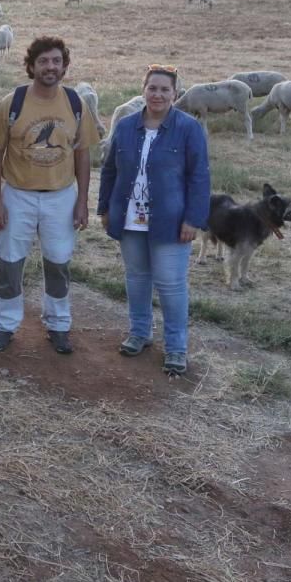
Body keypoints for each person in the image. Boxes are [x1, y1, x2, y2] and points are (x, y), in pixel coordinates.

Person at [0, 36, 99, 355]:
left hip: (60, 197)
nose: (50, 67)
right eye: (44, 61)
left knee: (58, 262)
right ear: (31, 66)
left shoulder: (75, 104)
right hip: (18, 194)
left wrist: (82, 201)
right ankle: (5, 325)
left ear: (64, 66)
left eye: (56, 61)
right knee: (9, 262)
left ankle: (59, 325)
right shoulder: (12, 103)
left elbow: (83, 155)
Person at [97, 65, 210, 376]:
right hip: (130, 216)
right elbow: (109, 170)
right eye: (152, 88)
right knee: (136, 278)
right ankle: (139, 333)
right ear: (143, 90)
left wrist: (193, 219)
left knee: (171, 285)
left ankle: (175, 347)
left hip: (171, 220)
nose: (158, 94)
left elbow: (199, 177)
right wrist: (105, 208)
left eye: (165, 89)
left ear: (175, 94)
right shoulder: (125, 126)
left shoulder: (188, 128)